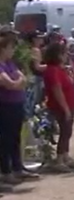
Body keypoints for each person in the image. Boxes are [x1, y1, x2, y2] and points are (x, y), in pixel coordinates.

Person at [0, 33, 39, 186]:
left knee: (16, 138)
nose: (13, 50)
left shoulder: (10, 64)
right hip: (5, 106)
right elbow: (9, 83)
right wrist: (17, 83)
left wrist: (17, 82)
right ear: (2, 49)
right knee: (6, 139)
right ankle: (6, 171)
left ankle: (18, 168)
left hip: (16, 104)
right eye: (10, 47)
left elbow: (23, 78)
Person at [41, 41, 74, 172]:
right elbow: (57, 90)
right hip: (60, 106)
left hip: (70, 104)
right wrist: (65, 108)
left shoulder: (61, 69)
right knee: (64, 132)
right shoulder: (52, 70)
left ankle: (65, 155)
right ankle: (59, 159)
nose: (66, 56)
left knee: (68, 131)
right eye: (64, 53)